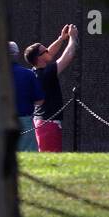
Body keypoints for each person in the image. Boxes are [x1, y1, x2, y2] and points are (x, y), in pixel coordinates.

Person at [25, 24, 78, 153]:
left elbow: (49, 52)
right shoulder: (47, 73)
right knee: (51, 162)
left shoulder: (36, 71)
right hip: (49, 125)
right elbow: (69, 54)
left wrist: (61, 38)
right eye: (45, 51)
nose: (49, 51)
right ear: (39, 58)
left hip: (42, 123)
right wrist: (73, 37)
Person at [8, 40, 43, 152]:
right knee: (29, 158)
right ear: (17, 54)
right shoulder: (28, 74)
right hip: (24, 122)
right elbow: (40, 100)